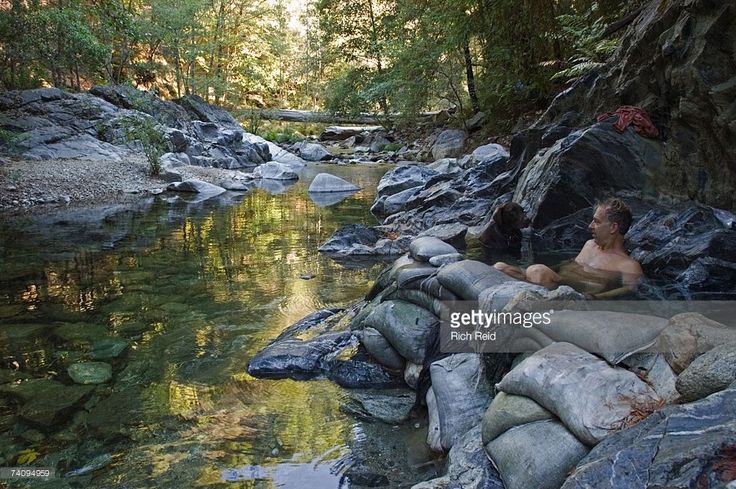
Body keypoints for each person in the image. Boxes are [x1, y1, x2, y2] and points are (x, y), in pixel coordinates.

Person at [494, 198, 643, 299]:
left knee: (538, 271)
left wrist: (597, 298)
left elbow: (630, 289)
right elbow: (568, 264)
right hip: (553, 280)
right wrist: (549, 268)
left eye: (596, 222)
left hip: (574, 293)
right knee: (500, 267)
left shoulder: (628, 265)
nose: (590, 226)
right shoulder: (589, 245)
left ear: (613, 227)